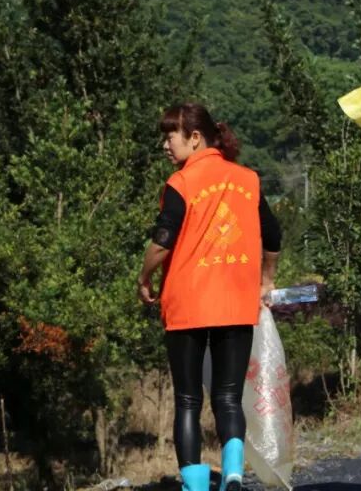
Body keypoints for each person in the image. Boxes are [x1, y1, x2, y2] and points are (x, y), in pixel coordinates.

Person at [137, 104, 282, 491]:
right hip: (236, 303)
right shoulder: (247, 179)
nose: (166, 145)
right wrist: (266, 281)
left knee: (187, 400)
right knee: (229, 397)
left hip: (187, 304)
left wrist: (145, 276)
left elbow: (163, 240)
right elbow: (273, 234)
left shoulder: (181, 183)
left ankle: (195, 485)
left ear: (194, 137)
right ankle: (233, 472)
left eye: (170, 136)